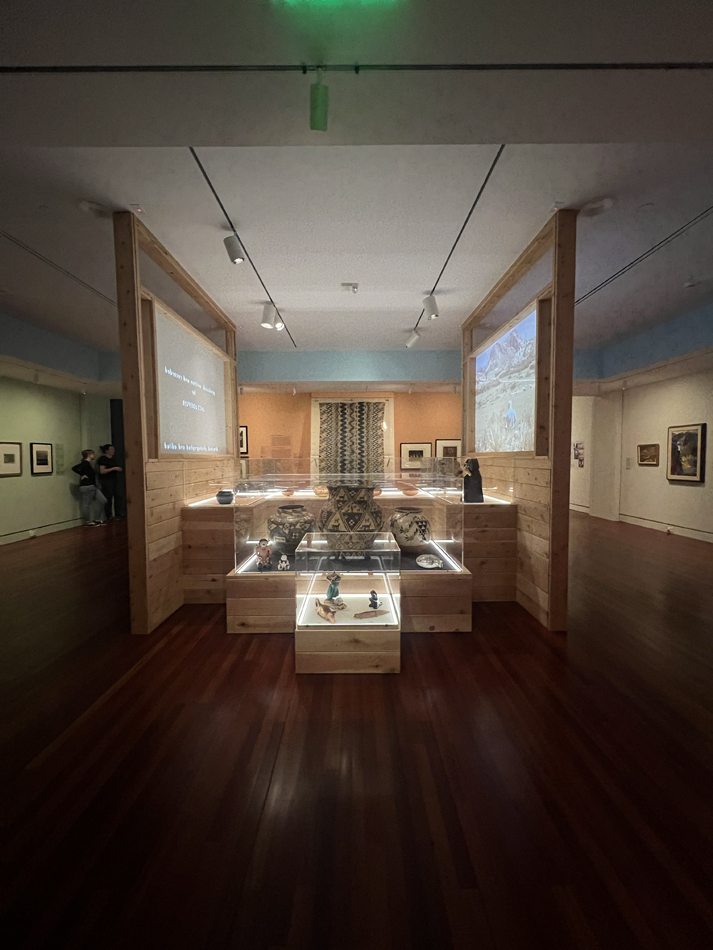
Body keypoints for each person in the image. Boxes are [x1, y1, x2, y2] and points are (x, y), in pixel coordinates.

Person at [71, 449, 107, 526]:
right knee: (86, 504)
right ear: (89, 455)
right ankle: (87, 522)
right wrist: (82, 474)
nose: (94, 455)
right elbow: (74, 468)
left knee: (103, 500)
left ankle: (96, 519)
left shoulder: (88, 464)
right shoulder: (85, 463)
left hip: (92, 486)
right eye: (92, 454)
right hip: (87, 486)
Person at [96, 443, 123, 520]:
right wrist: (113, 468)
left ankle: (118, 514)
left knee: (118, 496)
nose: (113, 451)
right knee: (108, 497)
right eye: (111, 449)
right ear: (106, 451)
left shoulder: (114, 459)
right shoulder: (103, 459)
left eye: (113, 449)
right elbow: (102, 471)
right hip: (106, 480)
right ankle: (109, 515)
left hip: (115, 480)